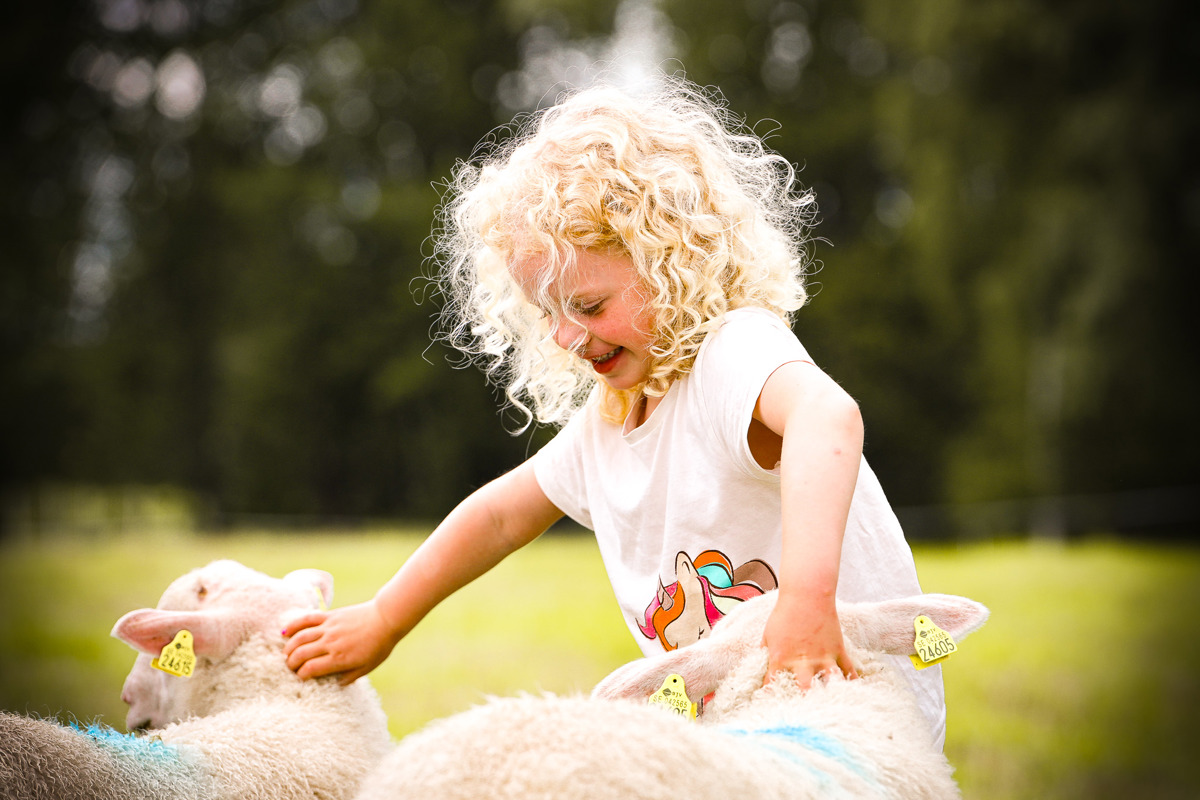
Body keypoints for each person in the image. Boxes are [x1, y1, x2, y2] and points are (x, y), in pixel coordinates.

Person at [283, 78, 946, 747]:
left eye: (591, 306)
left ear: (672, 257)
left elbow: (827, 418)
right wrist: (383, 619)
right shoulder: (614, 417)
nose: (567, 336)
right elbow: (500, 514)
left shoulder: (731, 354)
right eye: (548, 314)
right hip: (745, 745)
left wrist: (808, 604)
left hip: (851, 725)